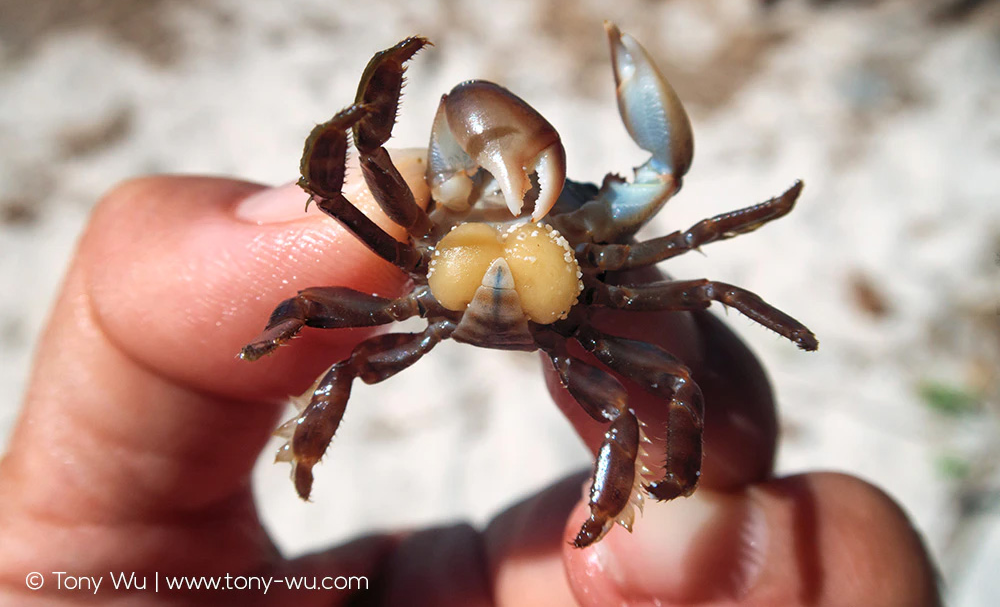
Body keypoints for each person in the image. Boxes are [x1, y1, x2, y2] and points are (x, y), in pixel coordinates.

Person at [0, 160, 941, 605]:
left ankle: (638, 503)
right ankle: (304, 452)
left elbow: (703, 257)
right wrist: (274, 329)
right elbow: (339, 191)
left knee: (662, 396)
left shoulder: (588, 270)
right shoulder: (407, 251)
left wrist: (768, 227)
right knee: (334, 348)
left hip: (549, 329)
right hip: (445, 316)